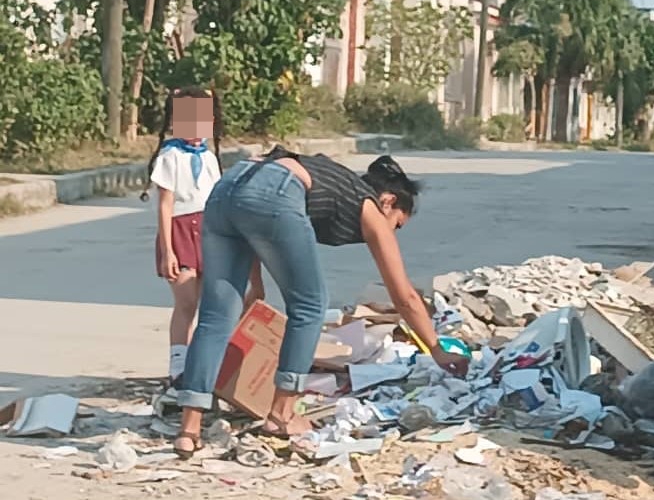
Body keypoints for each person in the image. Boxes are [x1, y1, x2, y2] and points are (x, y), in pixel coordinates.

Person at [172, 147, 470, 458]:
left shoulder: (336, 182)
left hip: (227, 188)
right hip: (274, 189)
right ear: (389, 202)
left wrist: (256, 283)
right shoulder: (369, 206)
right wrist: (435, 348)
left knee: (216, 316)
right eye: (397, 224)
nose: (392, 232)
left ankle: (188, 429)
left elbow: (250, 209)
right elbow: (404, 295)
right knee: (310, 306)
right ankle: (281, 415)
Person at [141, 87, 223, 400]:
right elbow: (165, 205)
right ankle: (178, 367)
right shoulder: (170, 156)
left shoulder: (210, 158)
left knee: (211, 304)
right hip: (179, 231)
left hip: (210, 230)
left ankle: (202, 366)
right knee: (186, 302)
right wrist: (169, 251)